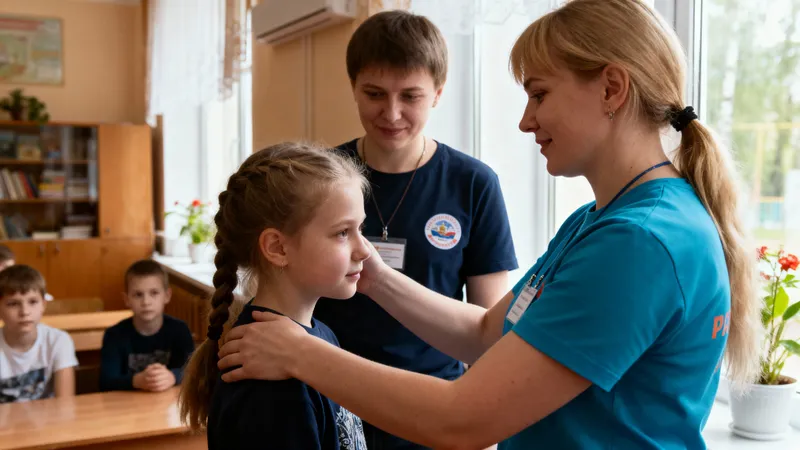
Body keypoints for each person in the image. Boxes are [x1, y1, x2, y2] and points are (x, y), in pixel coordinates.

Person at [216, 0, 762, 448]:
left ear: (612, 89)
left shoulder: (638, 243)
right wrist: (370, 271)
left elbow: (463, 420)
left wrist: (300, 352)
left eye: (540, 94)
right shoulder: (597, 222)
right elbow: (486, 335)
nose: (526, 120)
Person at [315, 10, 518, 449]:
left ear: (438, 94)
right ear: (353, 87)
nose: (392, 113)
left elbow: (490, 326)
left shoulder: (473, 183)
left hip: (432, 405)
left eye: (410, 96)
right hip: (333, 397)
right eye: (374, 94)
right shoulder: (321, 179)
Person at [178, 143, 371, 449]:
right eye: (342, 233)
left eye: (360, 227)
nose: (365, 250)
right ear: (278, 248)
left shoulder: (316, 337)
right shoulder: (269, 384)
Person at [99, 259, 194, 392]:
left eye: (154, 293)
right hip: (127, 407)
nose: (146, 302)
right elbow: (106, 381)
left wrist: (173, 376)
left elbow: (193, 372)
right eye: (138, 295)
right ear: (127, 299)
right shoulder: (114, 335)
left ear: (167, 296)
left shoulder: (180, 330)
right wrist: (136, 380)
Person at [0, 265, 77, 403]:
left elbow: (65, 403)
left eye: (33, 302)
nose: (24, 312)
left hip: (48, 422)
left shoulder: (58, 341)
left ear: (43, 305)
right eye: (13, 304)